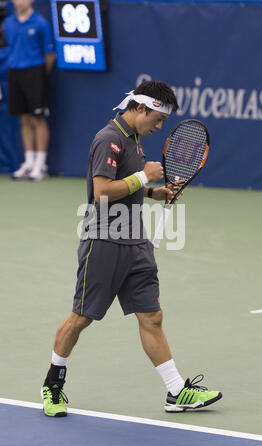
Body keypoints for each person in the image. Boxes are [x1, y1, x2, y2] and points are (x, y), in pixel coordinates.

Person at [41, 80, 222, 417]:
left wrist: (155, 193)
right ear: (141, 108)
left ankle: (176, 391)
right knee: (81, 318)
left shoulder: (135, 141)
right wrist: (144, 178)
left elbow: (130, 189)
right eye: (158, 119)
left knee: (151, 316)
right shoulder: (108, 139)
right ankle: (53, 385)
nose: (159, 126)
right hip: (104, 242)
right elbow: (101, 192)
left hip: (136, 243)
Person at [2, 0, 56, 181]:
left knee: (38, 119)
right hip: (14, 73)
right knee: (24, 118)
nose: (19, 2)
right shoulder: (7, 23)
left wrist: (39, 75)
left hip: (35, 73)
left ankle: (41, 165)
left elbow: (50, 55)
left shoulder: (41, 23)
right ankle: (29, 162)